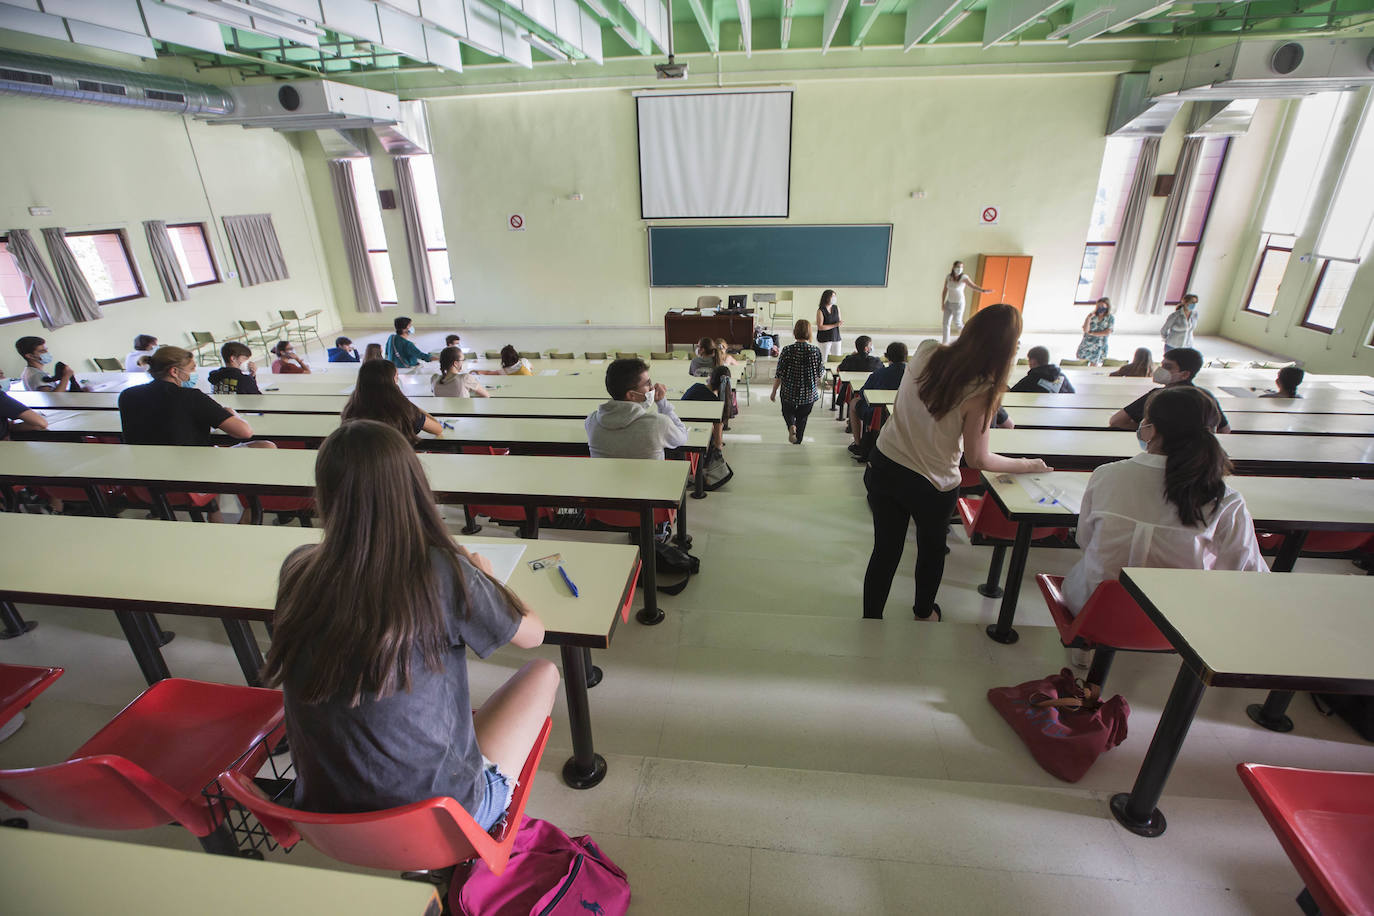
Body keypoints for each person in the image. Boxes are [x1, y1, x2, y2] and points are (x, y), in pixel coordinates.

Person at [260, 419, 558, 828]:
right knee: (544, 673)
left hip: (324, 816)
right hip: (435, 821)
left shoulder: (298, 566)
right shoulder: (443, 570)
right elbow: (533, 634)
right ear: (413, 486)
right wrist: (484, 578)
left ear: (325, 494)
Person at [861, 305, 1050, 622]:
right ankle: (923, 613)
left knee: (885, 549)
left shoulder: (926, 350)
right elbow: (978, 459)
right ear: (1006, 348)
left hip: (885, 463)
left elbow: (900, 403)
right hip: (933, 484)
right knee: (931, 550)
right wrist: (1028, 465)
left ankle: (871, 618)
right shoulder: (983, 391)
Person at [1061, 386, 1266, 618]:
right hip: (1176, 619)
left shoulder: (1106, 475)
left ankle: (1086, 646)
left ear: (1151, 428)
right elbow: (1241, 572)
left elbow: (1085, 539)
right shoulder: (1225, 499)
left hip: (1093, 608)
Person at [118, 346, 275, 524]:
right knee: (266, 446)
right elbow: (244, 432)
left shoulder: (127, 396)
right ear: (174, 371)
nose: (194, 373)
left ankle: (215, 514)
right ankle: (251, 509)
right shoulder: (191, 397)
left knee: (211, 452)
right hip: (191, 477)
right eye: (192, 368)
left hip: (146, 477)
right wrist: (231, 414)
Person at [1108, 347, 1230, 434]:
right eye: (1161, 365)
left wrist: (1148, 429)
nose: (1161, 370)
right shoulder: (1206, 396)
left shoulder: (1158, 396)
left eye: (1168, 367)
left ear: (1184, 374)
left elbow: (1116, 421)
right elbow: (1224, 430)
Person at [586, 357, 688, 460]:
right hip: (649, 476)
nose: (652, 388)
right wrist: (662, 403)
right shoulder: (658, 424)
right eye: (648, 383)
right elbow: (682, 436)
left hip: (606, 476)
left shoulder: (591, 421)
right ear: (631, 395)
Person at [341, 358, 444, 445]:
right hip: (395, 463)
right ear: (392, 382)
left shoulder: (351, 409)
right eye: (396, 377)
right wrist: (409, 404)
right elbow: (438, 429)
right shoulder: (403, 409)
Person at [848, 341, 908, 456]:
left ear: (887, 356)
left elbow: (863, 393)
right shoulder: (912, 374)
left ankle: (858, 443)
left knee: (854, 402)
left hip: (878, 414)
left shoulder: (880, 373)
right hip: (905, 413)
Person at [771, 319, 824, 445]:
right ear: (810, 333)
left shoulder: (787, 350)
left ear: (795, 332)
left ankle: (791, 425)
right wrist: (822, 383)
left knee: (787, 411)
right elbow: (819, 373)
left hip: (789, 391)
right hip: (808, 393)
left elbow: (779, 373)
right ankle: (798, 440)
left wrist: (773, 392)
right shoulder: (815, 351)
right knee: (803, 417)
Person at [939, 261, 991, 344]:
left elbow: (973, 286)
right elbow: (944, 291)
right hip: (949, 302)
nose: (959, 269)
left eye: (961, 267)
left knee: (958, 322)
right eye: (958, 267)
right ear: (953, 267)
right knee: (945, 323)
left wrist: (983, 290)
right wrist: (942, 303)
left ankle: (967, 339)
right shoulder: (948, 277)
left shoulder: (964, 277)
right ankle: (945, 343)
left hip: (958, 304)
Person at [683, 364, 729, 453]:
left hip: (680, 429)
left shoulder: (695, 386)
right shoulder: (715, 402)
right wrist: (718, 448)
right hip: (696, 438)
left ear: (711, 377)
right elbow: (717, 438)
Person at [1010, 346, 1076, 394]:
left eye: (1029, 360)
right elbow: (1072, 393)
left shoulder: (1031, 379)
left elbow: (1012, 393)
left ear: (1033, 361)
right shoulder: (1061, 376)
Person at [1076, 297, 1114, 366]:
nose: (1100, 308)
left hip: (1099, 345)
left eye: (1102, 306)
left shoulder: (1110, 317)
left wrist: (1093, 333)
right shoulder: (1092, 315)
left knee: (1094, 365)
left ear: (1107, 306)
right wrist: (1088, 318)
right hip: (1087, 343)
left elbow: (1108, 331)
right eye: (1098, 306)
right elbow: (1086, 330)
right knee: (1081, 363)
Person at [815, 289, 843, 358]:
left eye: (835, 296)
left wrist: (839, 323)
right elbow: (820, 327)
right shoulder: (820, 310)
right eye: (832, 296)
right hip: (824, 338)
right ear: (827, 298)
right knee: (824, 358)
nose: (834, 298)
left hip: (836, 337)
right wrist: (834, 325)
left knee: (836, 357)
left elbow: (839, 320)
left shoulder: (836, 308)